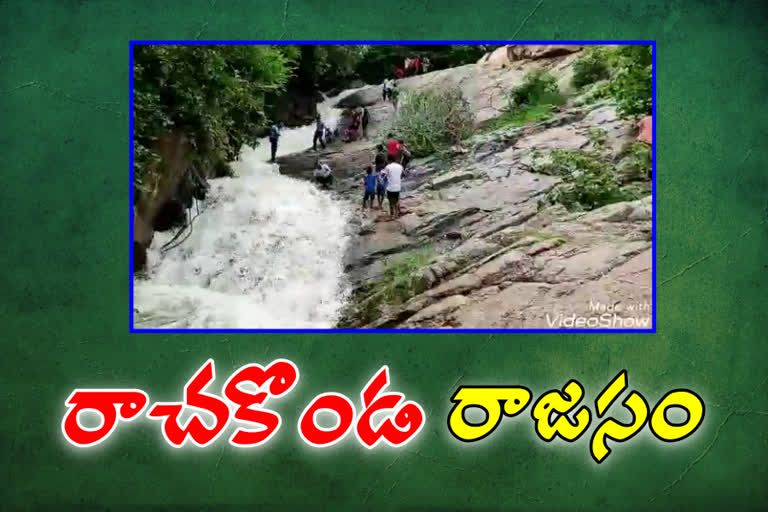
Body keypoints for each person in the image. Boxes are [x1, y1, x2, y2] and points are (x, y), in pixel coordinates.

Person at [384, 153, 404, 219]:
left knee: (391, 201)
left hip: (390, 187)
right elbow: (402, 175)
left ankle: (392, 215)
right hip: (398, 187)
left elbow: (384, 176)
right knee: (397, 199)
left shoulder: (387, 167)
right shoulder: (400, 166)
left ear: (388, 159)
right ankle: (397, 214)